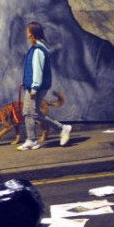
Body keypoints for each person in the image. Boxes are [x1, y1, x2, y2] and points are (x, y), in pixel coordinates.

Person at [17, 22, 72, 151]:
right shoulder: (36, 48)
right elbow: (32, 70)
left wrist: (34, 88)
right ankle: (32, 140)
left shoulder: (38, 50)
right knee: (29, 113)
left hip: (36, 87)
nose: (26, 33)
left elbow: (38, 71)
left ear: (32, 33)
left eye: (28, 31)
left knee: (31, 113)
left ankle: (61, 129)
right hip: (32, 86)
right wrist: (26, 82)